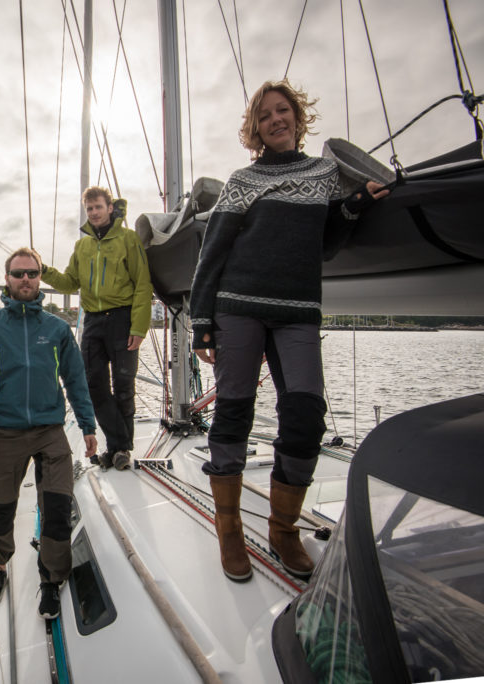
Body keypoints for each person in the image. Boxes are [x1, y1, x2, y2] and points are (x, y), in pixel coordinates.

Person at [189, 80, 389, 582]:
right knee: (234, 410)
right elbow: (212, 252)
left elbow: (325, 244)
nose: (276, 119)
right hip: (240, 307)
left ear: (299, 118)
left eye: (283, 111)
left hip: (299, 307)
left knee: (305, 416)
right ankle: (230, 527)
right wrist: (201, 321)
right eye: (265, 115)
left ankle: (282, 529)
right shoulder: (243, 180)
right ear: (255, 129)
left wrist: (356, 202)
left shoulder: (325, 174)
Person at [0, 247, 98, 620]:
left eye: (32, 273)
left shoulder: (56, 329)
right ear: (6, 279)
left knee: (56, 508)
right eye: (19, 274)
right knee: (3, 508)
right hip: (5, 433)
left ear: (40, 279)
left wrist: (87, 425)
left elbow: (76, 380)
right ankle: (0, 566)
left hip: (50, 431)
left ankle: (51, 580)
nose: (26, 279)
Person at [41, 187, 153, 471]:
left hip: (122, 319)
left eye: (98, 207)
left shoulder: (128, 239)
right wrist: (43, 270)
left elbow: (142, 284)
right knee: (93, 386)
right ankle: (120, 444)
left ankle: (119, 450)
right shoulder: (83, 246)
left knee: (124, 386)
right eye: (89, 209)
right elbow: (69, 283)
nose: (93, 213)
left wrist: (139, 327)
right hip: (92, 321)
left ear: (110, 208)